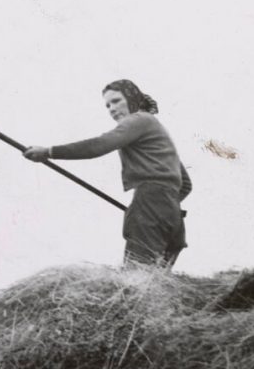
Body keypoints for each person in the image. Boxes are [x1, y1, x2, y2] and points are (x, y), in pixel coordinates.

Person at [23, 79, 193, 268]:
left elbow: (99, 145)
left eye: (116, 101)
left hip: (149, 203)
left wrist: (49, 152)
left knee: (136, 278)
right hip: (174, 216)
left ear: (132, 97)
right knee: (157, 284)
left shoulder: (138, 119)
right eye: (107, 105)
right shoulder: (155, 127)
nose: (112, 109)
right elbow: (185, 184)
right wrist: (164, 205)